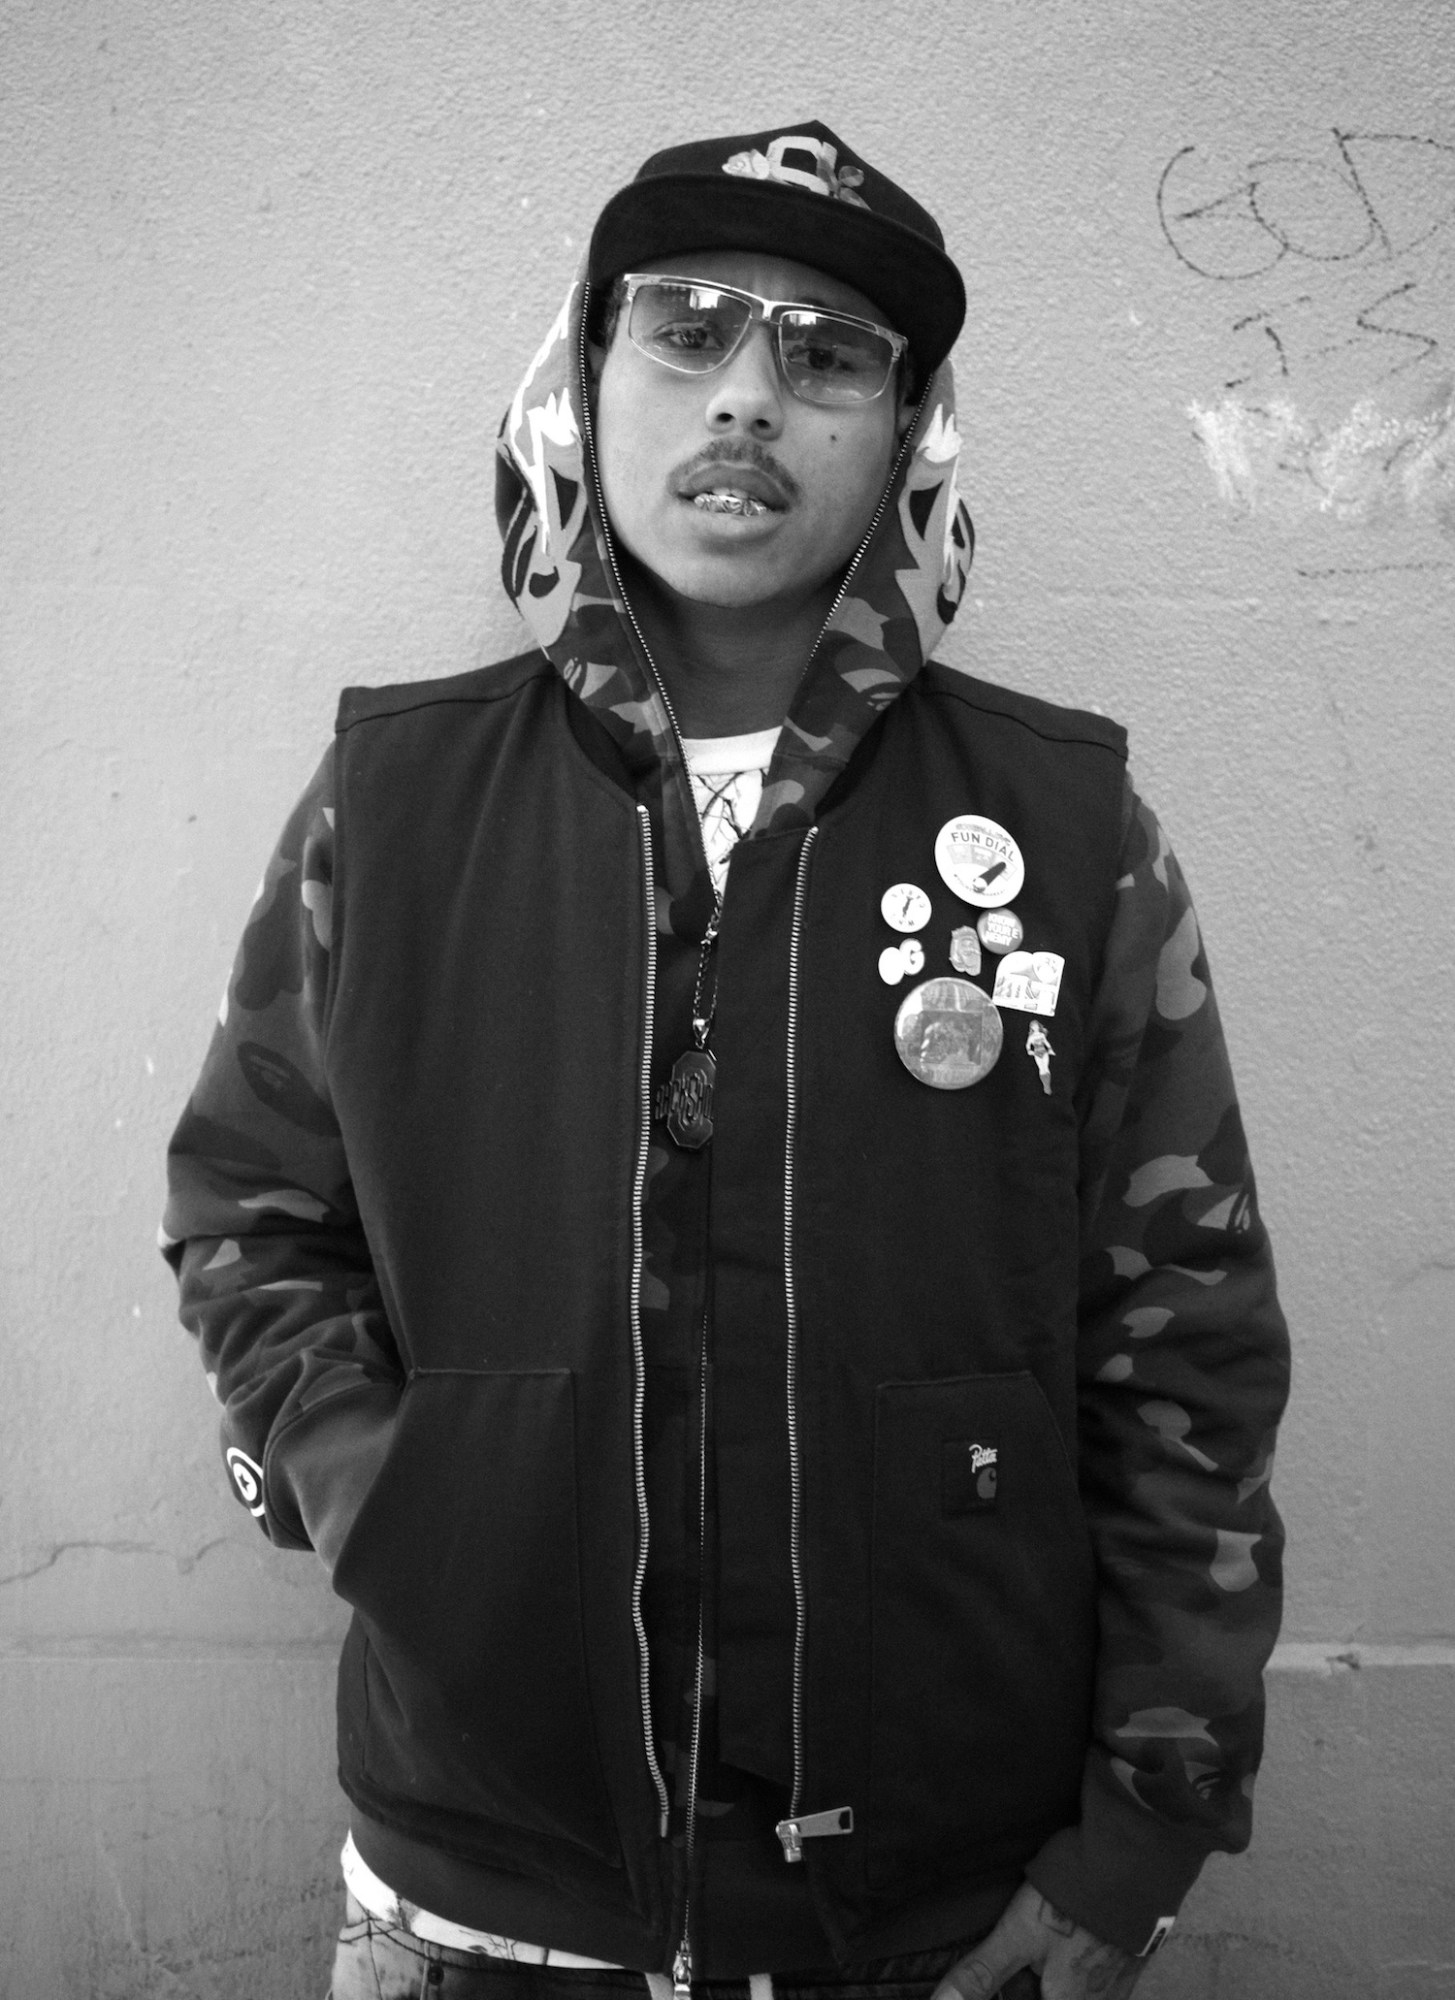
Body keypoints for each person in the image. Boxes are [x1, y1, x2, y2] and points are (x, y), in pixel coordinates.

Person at [162, 121, 1290, 2000]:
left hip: (932, 1903)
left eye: (829, 354)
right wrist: (403, 1504)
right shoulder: (397, 803)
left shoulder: (1066, 833)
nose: (749, 398)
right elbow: (250, 1218)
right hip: (480, 1885)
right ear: (585, 375)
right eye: (686, 330)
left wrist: (1144, 1831)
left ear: (911, 432)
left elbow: (1185, 1346)